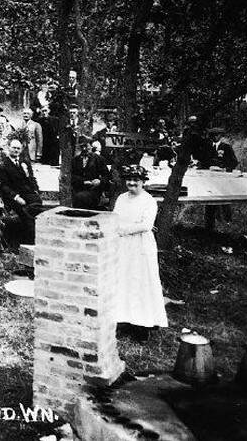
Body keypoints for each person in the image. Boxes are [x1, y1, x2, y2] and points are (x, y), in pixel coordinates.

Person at [113, 165, 168, 341]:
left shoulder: (149, 201)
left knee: (140, 282)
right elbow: (115, 217)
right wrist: (116, 229)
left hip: (141, 246)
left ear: (143, 182)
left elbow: (145, 225)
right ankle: (124, 319)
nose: (132, 183)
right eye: (129, 179)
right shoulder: (121, 198)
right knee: (123, 280)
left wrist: (123, 230)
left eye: (136, 180)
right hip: (123, 245)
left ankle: (142, 325)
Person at [0, 139, 44, 245]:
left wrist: (36, 190)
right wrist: (16, 197)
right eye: (14, 148)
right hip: (13, 196)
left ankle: (37, 236)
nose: (16, 150)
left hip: (28, 193)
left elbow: (32, 178)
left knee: (38, 206)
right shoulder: (3, 165)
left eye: (18, 148)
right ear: (9, 148)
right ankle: (28, 241)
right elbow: (3, 186)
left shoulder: (25, 161)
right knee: (24, 211)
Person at [71, 135, 111, 209]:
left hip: (94, 191)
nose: (85, 149)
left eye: (87, 146)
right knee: (78, 198)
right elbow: (72, 176)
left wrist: (100, 181)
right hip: (78, 189)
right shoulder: (75, 160)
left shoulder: (98, 159)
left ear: (91, 146)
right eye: (82, 146)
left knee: (82, 198)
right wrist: (83, 182)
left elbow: (107, 176)